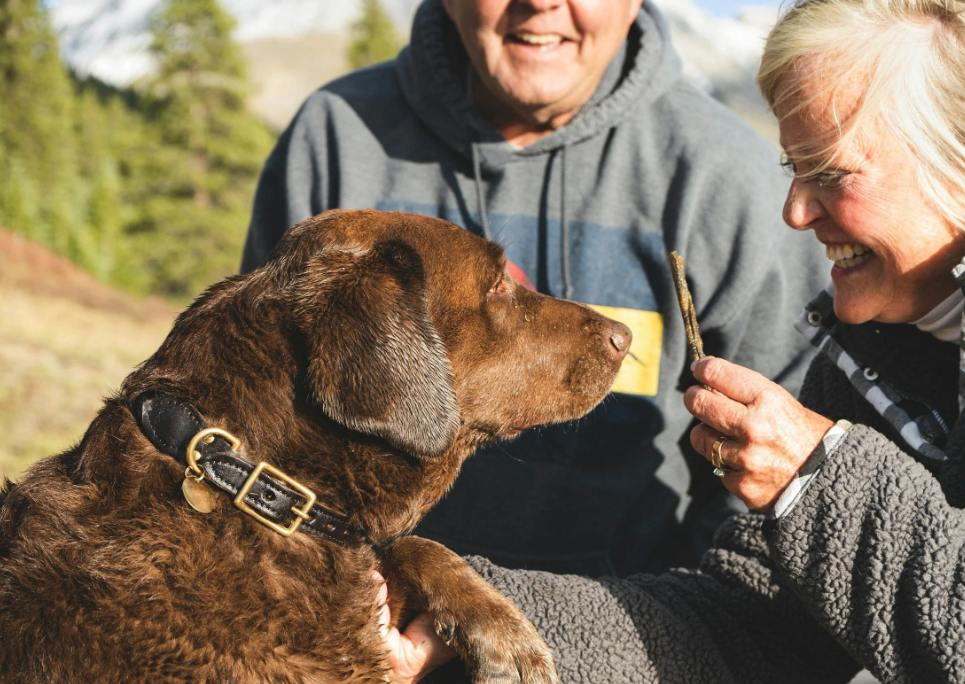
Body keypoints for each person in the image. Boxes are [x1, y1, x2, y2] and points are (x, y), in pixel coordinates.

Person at [379, 0, 965, 684]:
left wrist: (823, 482)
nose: (795, 211)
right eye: (792, 168)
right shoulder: (870, 362)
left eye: (831, 172)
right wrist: (471, 629)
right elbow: (744, 636)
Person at [242, 4, 823, 610]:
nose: (542, 2)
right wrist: (349, 644)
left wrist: (664, 665)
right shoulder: (337, 140)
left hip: (637, 657)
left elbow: (774, 487)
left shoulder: (727, 179)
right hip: (374, 659)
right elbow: (260, 435)